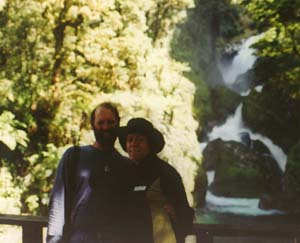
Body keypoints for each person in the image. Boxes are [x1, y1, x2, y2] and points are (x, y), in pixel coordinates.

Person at [47, 102, 131, 243]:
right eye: (101, 122)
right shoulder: (74, 156)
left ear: (118, 124)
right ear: (93, 125)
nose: (106, 127)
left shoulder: (125, 164)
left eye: (111, 122)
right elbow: (58, 202)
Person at [118, 118, 194, 243]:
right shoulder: (125, 172)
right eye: (130, 140)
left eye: (140, 140)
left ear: (150, 144)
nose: (133, 144)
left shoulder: (166, 173)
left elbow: (184, 213)